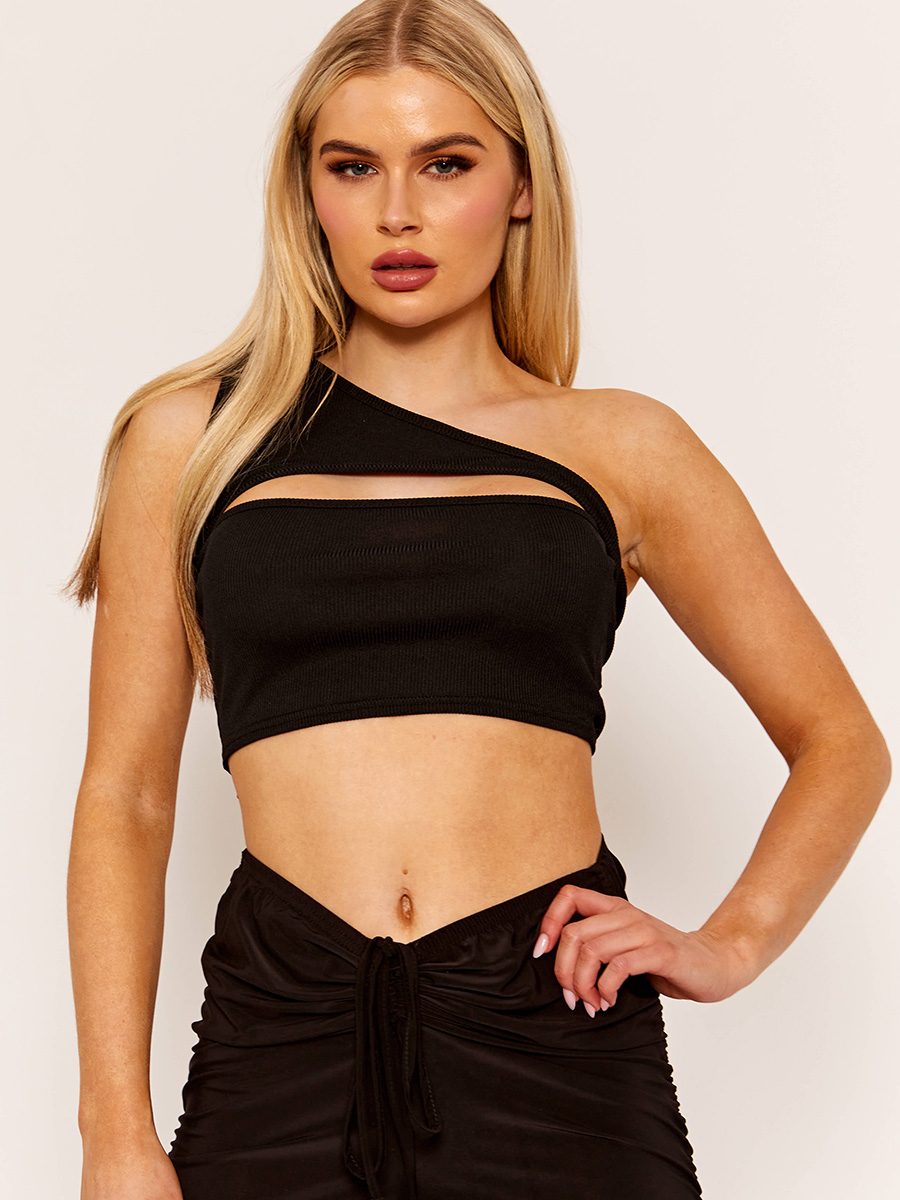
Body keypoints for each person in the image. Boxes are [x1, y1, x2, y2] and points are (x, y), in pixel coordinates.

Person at [65, 1, 891, 1198]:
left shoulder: (623, 447)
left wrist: (731, 942)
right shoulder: (190, 438)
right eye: (354, 166)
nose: (397, 211)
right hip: (280, 1036)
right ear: (307, 193)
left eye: (446, 164)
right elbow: (129, 797)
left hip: (554, 1038)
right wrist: (114, 1133)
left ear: (522, 185)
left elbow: (841, 739)